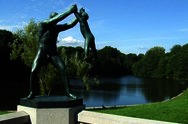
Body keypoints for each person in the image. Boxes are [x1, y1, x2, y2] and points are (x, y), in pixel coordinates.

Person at [26, 4, 78, 99]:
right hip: (42, 51)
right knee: (33, 71)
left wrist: (78, 16)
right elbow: (56, 19)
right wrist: (70, 11)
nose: (57, 20)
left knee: (63, 69)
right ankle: (32, 93)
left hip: (53, 53)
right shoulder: (43, 24)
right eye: (55, 18)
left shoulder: (56, 28)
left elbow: (70, 24)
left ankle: (69, 93)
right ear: (51, 18)